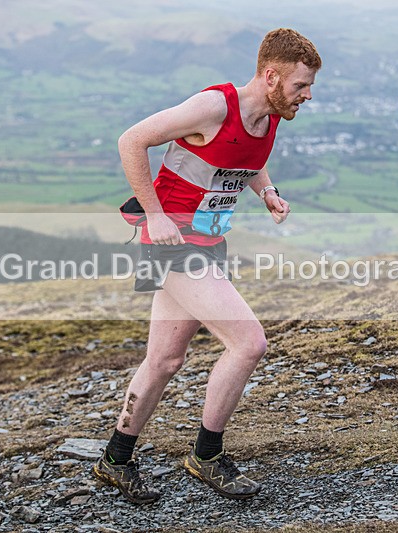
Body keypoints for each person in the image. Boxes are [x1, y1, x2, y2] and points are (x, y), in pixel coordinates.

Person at [93, 28, 321, 504]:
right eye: (301, 85)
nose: (307, 95)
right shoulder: (213, 107)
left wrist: (267, 192)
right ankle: (207, 456)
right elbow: (131, 140)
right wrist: (155, 215)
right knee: (249, 343)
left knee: (165, 360)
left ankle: (115, 458)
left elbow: (244, 159)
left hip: (208, 241)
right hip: (173, 244)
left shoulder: (269, 115)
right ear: (271, 76)